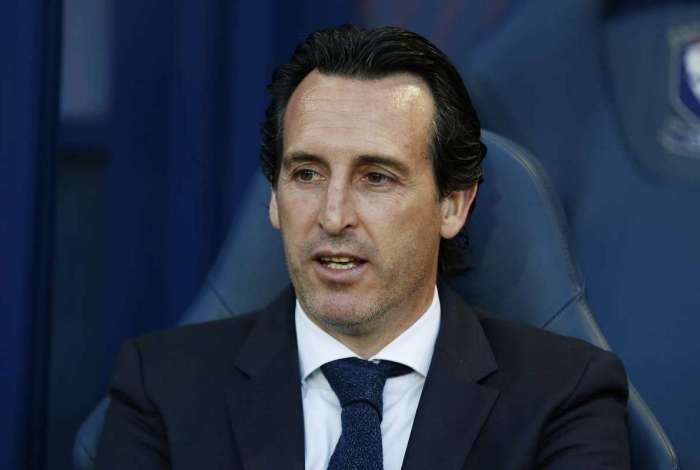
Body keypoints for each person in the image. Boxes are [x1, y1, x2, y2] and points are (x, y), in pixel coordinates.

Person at [96, 25, 630, 469]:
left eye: (376, 178)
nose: (332, 216)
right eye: (306, 173)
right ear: (274, 200)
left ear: (453, 205)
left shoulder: (566, 396)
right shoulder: (160, 387)